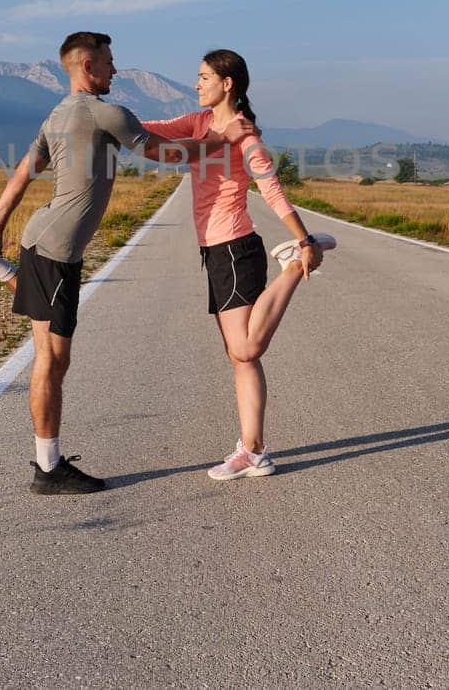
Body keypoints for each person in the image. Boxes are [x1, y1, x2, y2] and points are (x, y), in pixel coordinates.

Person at [0, 31, 244, 495]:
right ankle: (48, 468)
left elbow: (24, 171)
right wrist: (222, 139)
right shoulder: (105, 112)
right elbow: (164, 153)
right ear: (87, 66)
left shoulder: (58, 115)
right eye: (109, 62)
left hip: (46, 243)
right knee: (52, 361)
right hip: (56, 249)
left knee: (50, 345)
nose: (115, 70)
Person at [143, 49, 336, 481]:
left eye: (204, 77)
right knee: (240, 359)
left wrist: (303, 239)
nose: (197, 84)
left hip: (235, 248)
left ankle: (291, 265)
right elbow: (152, 136)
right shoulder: (199, 124)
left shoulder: (247, 139)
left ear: (227, 83)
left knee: (246, 348)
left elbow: (271, 190)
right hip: (214, 252)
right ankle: (254, 450)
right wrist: (104, 120)